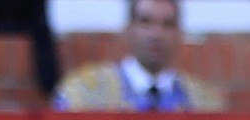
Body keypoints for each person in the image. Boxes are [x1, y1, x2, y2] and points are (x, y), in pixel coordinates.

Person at [53, 0, 222, 111]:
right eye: (145, 22)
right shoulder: (85, 92)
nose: (156, 34)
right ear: (128, 29)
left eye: (167, 24)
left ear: (180, 33)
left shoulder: (205, 102)